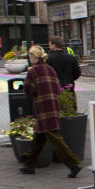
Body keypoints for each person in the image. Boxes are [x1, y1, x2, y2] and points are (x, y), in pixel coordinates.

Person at [19, 45, 83, 177]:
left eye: (30, 55)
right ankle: (29, 164)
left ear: (33, 56)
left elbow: (28, 91)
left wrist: (28, 79)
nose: (29, 58)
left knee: (55, 138)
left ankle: (73, 164)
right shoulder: (50, 69)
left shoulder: (33, 71)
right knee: (39, 136)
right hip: (53, 105)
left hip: (43, 108)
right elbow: (56, 87)